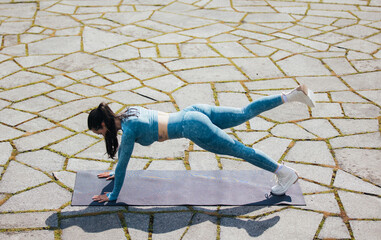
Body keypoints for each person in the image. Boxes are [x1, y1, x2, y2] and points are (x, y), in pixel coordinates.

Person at [89, 85, 315, 203]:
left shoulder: (128, 131)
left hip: (193, 128)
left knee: (240, 150)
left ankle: (284, 172)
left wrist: (113, 194)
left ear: (102, 123)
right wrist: (117, 173)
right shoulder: (129, 112)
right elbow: (122, 161)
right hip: (194, 111)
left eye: (98, 130)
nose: (101, 134)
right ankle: (290, 96)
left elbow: (124, 160)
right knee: (244, 112)